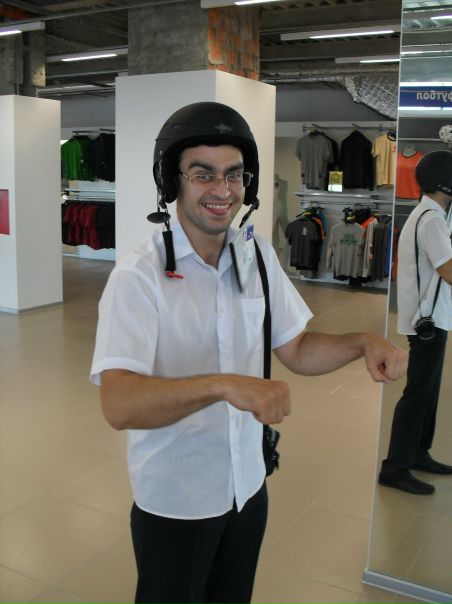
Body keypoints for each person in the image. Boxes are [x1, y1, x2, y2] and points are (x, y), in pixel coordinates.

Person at [90, 102, 407, 604]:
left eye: (234, 175)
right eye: (203, 175)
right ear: (171, 182)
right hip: (177, 499)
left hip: (247, 486)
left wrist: (361, 342)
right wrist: (224, 385)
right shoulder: (138, 276)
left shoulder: (254, 255)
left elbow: (296, 347)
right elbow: (119, 403)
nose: (223, 191)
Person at [379, 150, 452, 495]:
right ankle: (394, 468)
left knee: (428, 392)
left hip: (431, 319)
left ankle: (419, 453)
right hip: (428, 322)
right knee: (418, 394)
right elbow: (448, 270)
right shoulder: (432, 219)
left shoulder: (428, 213)